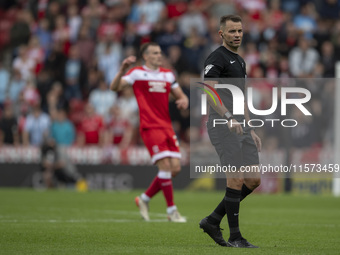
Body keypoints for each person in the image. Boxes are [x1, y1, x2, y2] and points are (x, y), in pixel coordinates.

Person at [199, 15, 262, 248]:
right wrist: (227, 117)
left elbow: (242, 98)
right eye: (232, 31)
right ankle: (236, 237)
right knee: (235, 179)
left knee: (253, 180)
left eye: (240, 31)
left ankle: (213, 220)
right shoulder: (216, 57)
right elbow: (210, 91)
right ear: (221, 34)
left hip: (242, 127)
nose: (237, 34)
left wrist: (251, 128)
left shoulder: (241, 61)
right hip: (223, 125)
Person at [110, 42, 189, 222]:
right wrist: (122, 69)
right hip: (150, 127)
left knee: (175, 168)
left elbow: (180, 94)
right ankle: (172, 211)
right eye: (154, 53)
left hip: (167, 126)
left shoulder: (168, 75)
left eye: (160, 52)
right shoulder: (137, 73)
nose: (158, 56)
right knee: (165, 167)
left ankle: (144, 199)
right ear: (145, 56)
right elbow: (114, 87)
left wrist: (184, 100)